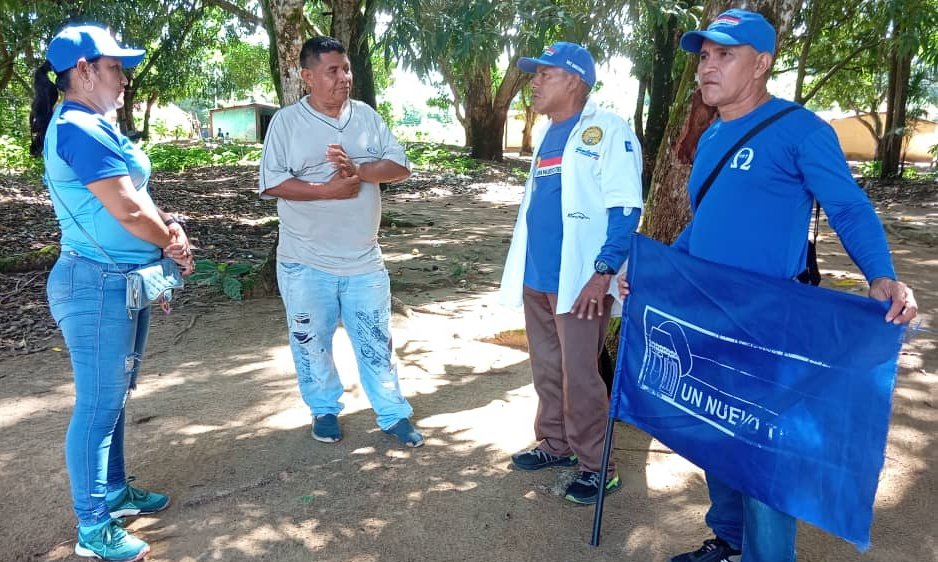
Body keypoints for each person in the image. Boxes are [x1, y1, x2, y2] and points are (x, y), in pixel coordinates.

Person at [618, 9, 918, 562]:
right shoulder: (710, 138)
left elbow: (848, 207)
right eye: (704, 56)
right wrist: (656, 274)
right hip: (709, 316)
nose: (708, 66)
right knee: (714, 432)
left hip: (771, 322)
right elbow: (703, 227)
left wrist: (881, 274)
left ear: (761, 64)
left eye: (724, 55)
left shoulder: (801, 130)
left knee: (763, 455)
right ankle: (729, 541)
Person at [29, 24, 195, 561]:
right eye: (116, 67)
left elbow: (137, 197)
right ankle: (93, 527)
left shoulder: (95, 125)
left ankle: (117, 493)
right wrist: (171, 242)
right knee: (99, 406)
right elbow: (124, 210)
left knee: (115, 397)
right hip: (96, 285)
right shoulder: (78, 126)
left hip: (118, 284)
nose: (124, 78)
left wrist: (169, 225)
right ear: (84, 71)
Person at [259, 36, 423, 448]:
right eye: (333, 71)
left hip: (364, 260)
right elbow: (272, 183)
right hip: (304, 261)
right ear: (307, 76)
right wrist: (325, 191)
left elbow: (400, 165)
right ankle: (324, 409)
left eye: (346, 69)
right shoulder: (286, 123)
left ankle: (392, 412)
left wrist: (359, 170)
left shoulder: (366, 116)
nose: (344, 78)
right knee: (311, 342)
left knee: (375, 339)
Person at [499, 42, 644, 504]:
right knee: (546, 368)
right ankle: (556, 443)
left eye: (545, 74)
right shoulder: (550, 134)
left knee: (580, 375)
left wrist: (602, 272)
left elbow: (625, 207)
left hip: (581, 282)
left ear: (575, 80)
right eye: (534, 74)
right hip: (538, 278)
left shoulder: (607, 129)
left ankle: (598, 466)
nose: (535, 82)